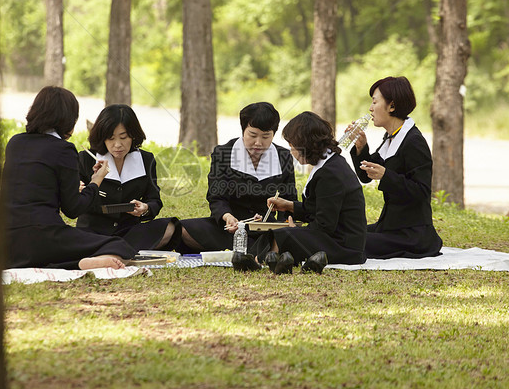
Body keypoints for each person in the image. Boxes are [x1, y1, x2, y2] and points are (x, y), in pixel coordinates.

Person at [2, 87, 136, 270]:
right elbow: (73, 209)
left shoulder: (15, 143)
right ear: (68, 119)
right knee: (119, 245)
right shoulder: (63, 149)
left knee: (41, 255)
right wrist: (95, 181)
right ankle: (80, 263)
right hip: (43, 234)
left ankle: (68, 263)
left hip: (8, 241)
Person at [242, 111, 367, 274]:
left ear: (306, 145)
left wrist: (298, 231)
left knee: (287, 233)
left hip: (345, 247)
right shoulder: (327, 164)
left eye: (292, 146)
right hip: (335, 238)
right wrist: (288, 206)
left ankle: (261, 261)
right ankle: (265, 259)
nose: (292, 151)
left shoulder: (331, 173)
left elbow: (324, 225)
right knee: (281, 230)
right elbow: (317, 209)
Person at [179, 102, 298, 252]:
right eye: (252, 135)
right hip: (230, 228)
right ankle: (261, 251)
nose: (258, 143)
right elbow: (217, 197)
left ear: (273, 134)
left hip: (267, 230)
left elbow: (290, 199)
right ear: (243, 131)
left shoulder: (283, 156)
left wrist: (283, 223)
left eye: (266, 136)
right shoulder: (223, 153)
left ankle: (264, 248)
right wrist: (227, 216)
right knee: (182, 229)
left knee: (279, 239)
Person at [347, 75, 443, 259]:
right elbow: (366, 176)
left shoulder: (413, 142)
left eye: (375, 102)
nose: (370, 108)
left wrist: (386, 176)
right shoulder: (391, 137)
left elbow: (422, 192)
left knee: (352, 241)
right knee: (345, 232)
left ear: (392, 106)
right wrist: (361, 147)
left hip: (412, 234)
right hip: (390, 226)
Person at [76, 104, 180, 251]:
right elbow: (74, 204)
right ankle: (117, 251)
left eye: (123, 137)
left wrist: (145, 208)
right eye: (110, 138)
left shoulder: (146, 160)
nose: (117, 145)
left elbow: (154, 200)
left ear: (133, 135)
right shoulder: (86, 159)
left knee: (169, 227)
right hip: (93, 233)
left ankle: (114, 251)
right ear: (102, 137)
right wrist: (78, 191)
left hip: (129, 232)